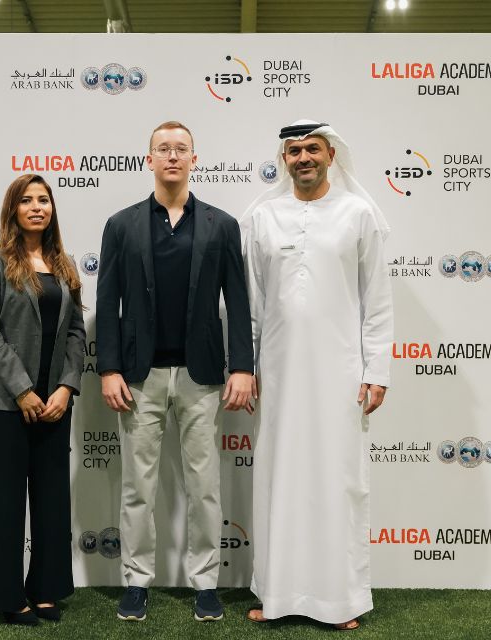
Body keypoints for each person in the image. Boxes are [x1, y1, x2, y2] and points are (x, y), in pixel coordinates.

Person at [96, 121, 255, 622]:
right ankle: (136, 581)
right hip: (139, 377)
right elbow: (107, 300)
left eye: (180, 149)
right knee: (137, 486)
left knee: (204, 484)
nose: (171, 156)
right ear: (148, 159)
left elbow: (239, 299)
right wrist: (109, 369)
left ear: (194, 158)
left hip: (202, 375)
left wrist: (243, 368)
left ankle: (205, 582)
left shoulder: (222, 225)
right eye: (162, 149)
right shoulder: (121, 225)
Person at [241, 120, 393, 631]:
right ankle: (276, 593)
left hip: (341, 371)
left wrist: (378, 370)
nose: (302, 158)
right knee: (278, 478)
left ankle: (340, 600)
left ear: (331, 154)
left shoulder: (359, 213)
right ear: (283, 160)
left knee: (337, 479)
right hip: (278, 372)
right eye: (293, 151)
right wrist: (249, 365)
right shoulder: (263, 216)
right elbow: (253, 305)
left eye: (311, 149)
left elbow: (377, 301)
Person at [0, 174, 85, 625]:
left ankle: (45, 590)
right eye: (27, 201)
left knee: (53, 501)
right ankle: (7, 597)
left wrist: (65, 387)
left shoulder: (65, 264)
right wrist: (22, 389)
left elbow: (76, 333)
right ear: (13, 209)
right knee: (5, 502)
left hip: (55, 403)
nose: (37, 207)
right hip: (4, 404)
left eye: (44, 200)